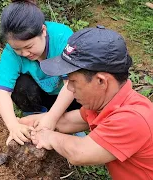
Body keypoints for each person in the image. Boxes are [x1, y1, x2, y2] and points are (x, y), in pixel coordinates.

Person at [28, 26, 153, 179]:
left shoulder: (133, 118)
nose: (70, 88)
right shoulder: (103, 104)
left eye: (73, 81)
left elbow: (80, 152)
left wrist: (49, 137)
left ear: (101, 81)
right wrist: (20, 124)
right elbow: (67, 122)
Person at [0, 0, 81, 145]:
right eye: (17, 49)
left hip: (68, 96)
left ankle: (72, 125)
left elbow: (70, 85)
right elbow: (3, 92)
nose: (24, 53)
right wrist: (13, 126)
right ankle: (34, 119)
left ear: (43, 30)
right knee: (20, 84)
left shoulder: (62, 36)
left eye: (28, 46)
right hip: (41, 96)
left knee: (79, 83)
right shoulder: (11, 52)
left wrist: (51, 118)